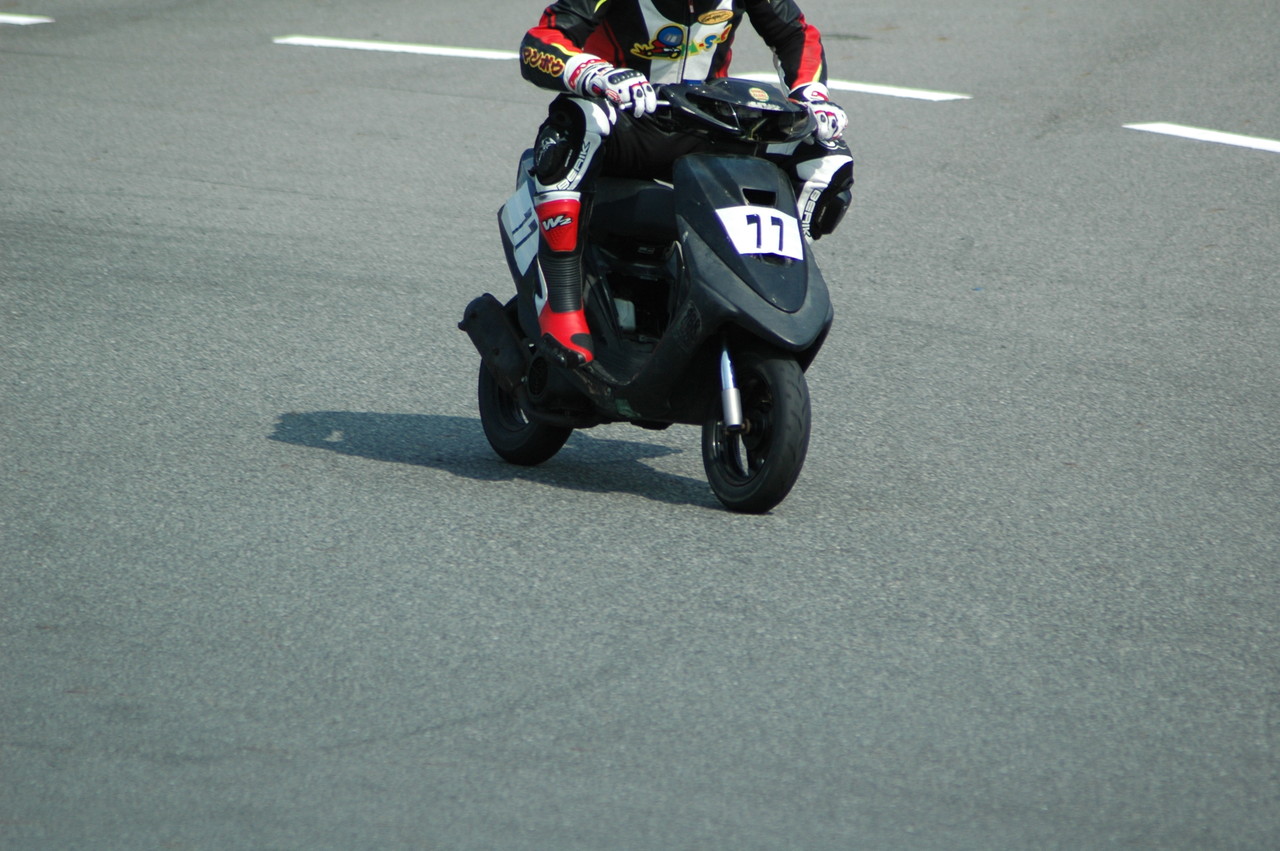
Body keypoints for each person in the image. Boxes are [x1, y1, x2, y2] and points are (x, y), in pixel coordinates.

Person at [520, 0, 854, 366]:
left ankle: (774, 287)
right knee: (578, 122)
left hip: (707, 124)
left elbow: (795, 34)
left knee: (826, 153)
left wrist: (811, 94)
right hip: (625, 122)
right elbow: (540, 42)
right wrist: (594, 73)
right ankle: (559, 301)